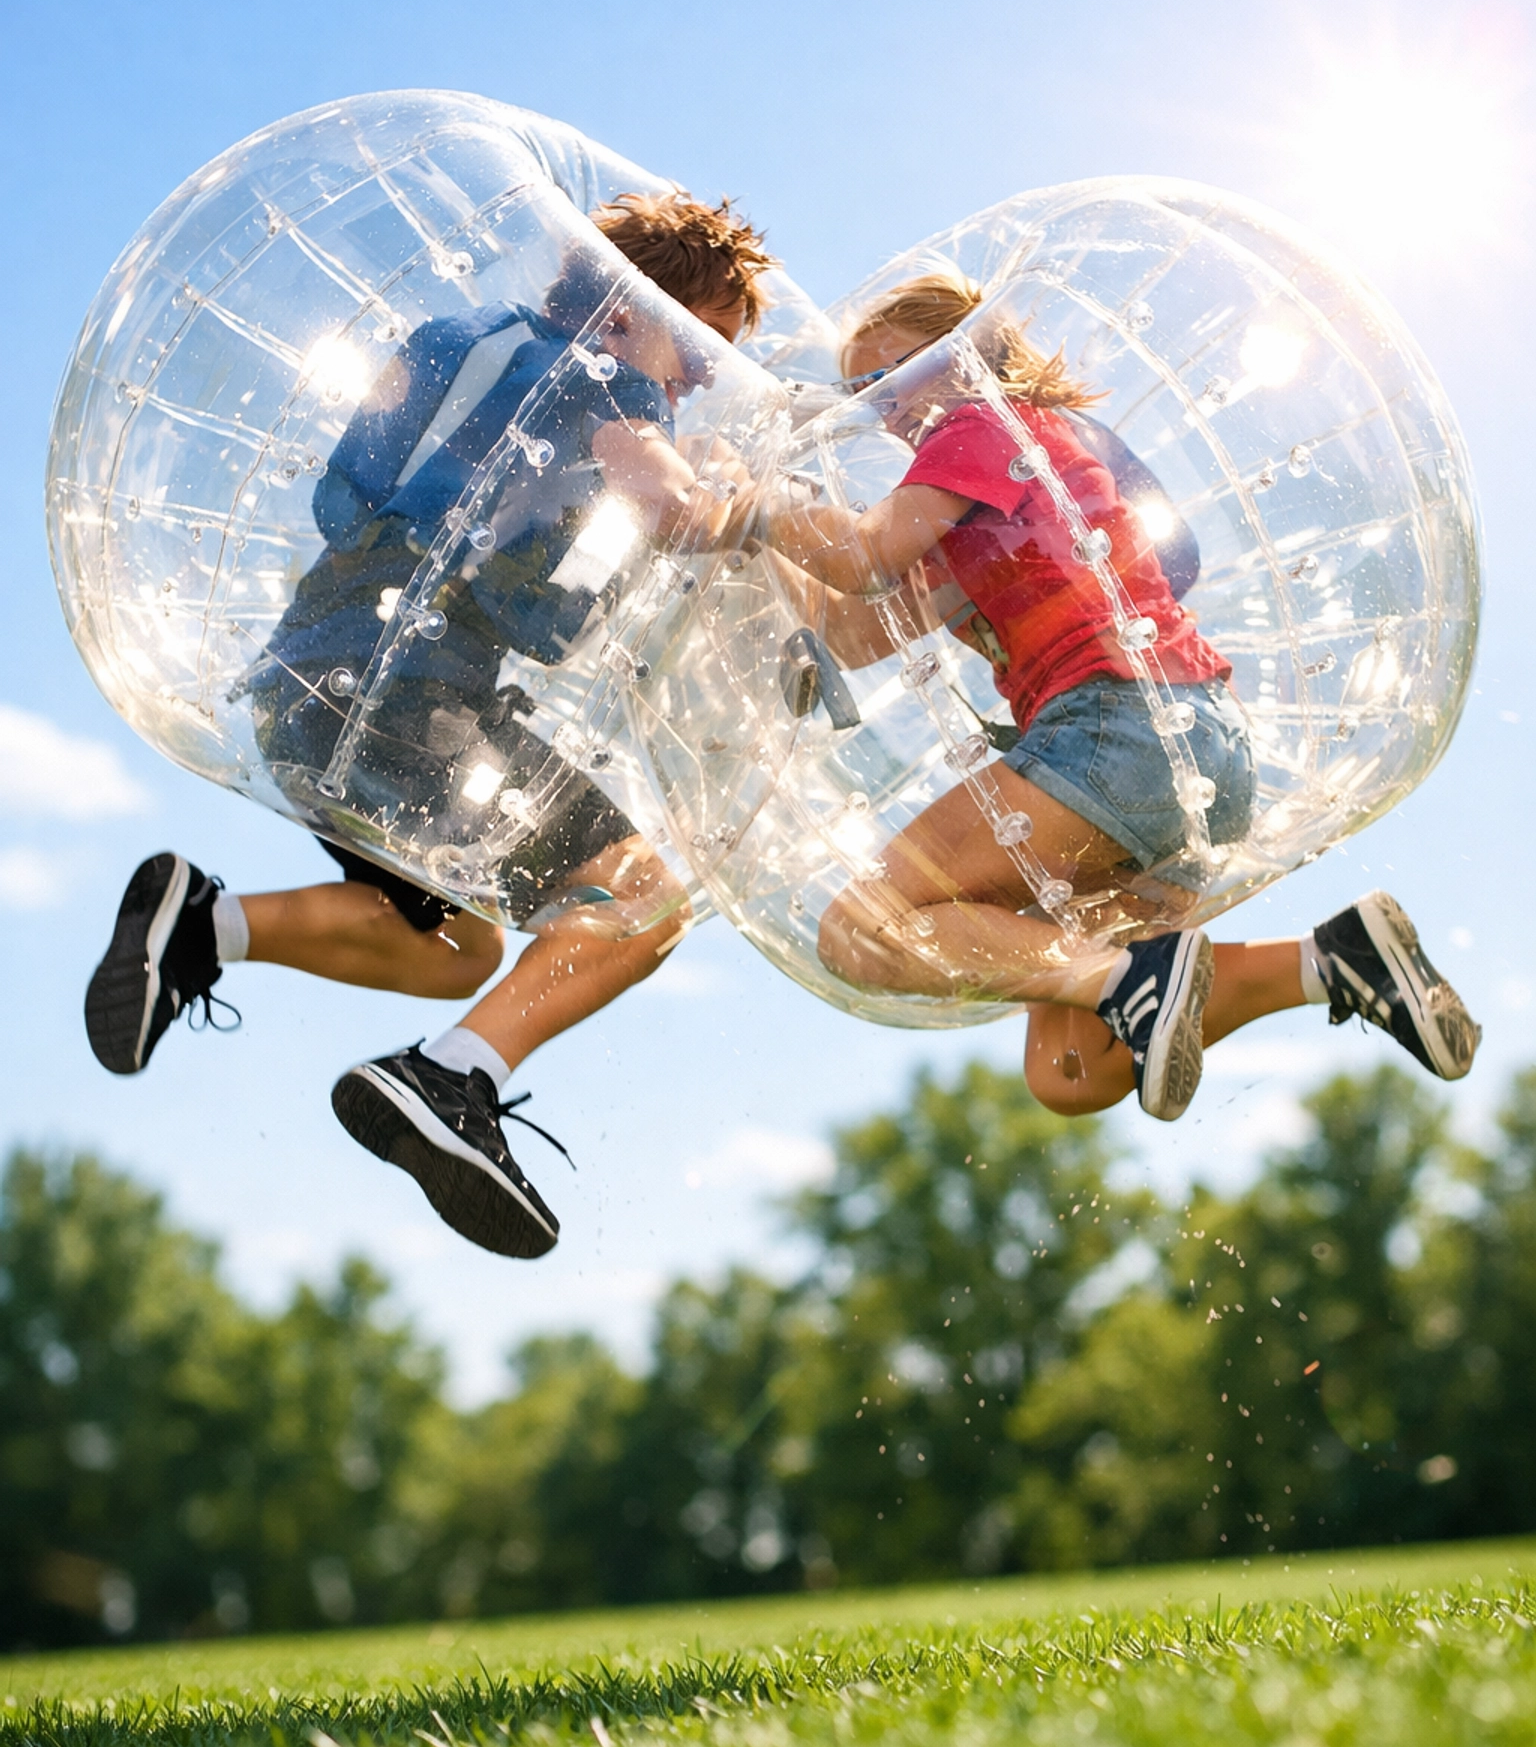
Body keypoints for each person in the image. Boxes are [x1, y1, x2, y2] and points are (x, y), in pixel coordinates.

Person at [85, 192, 775, 1259]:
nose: (708, 378)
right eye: (706, 346)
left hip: (306, 693)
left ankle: (198, 928)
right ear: (636, 312)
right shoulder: (608, 377)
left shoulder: (476, 350)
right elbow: (679, 506)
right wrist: (753, 500)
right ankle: (450, 1081)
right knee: (644, 892)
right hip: (410, 695)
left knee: (457, 947)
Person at [760, 269, 1480, 1118]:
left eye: (887, 379)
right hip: (1199, 754)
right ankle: (1334, 960)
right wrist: (770, 532)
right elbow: (848, 629)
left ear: (959, 361)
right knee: (1073, 1072)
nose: (879, 410)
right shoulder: (979, 499)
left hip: (1118, 734)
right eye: (860, 395)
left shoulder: (979, 425)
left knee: (861, 926)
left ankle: (1126, 977)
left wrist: (748, 505)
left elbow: (861, 555)